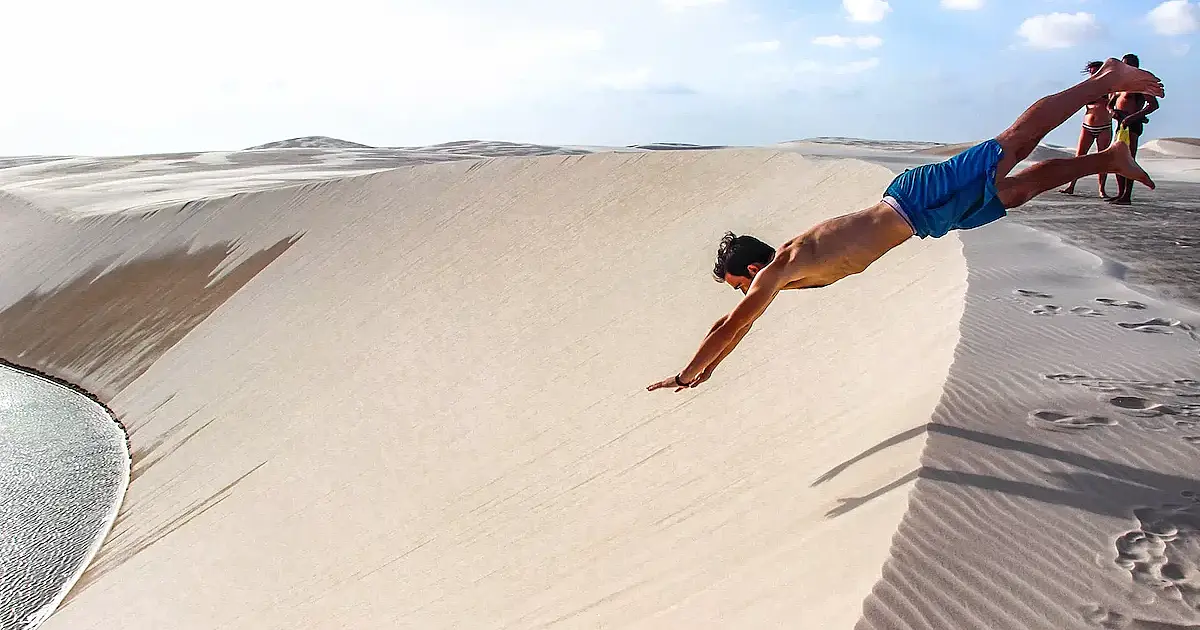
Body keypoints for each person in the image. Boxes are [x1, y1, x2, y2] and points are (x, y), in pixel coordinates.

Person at [647, 57, 1164, 393]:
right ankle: (1110, 158)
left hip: (915, 199)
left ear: (750, 269)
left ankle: (1104, 80)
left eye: (737, 285)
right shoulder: (784, 276)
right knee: (1021, 190)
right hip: (926, 220)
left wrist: (687, 371)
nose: (741, 295)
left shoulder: (777, 270)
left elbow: (730, 325)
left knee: (1017, 140)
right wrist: (710, 370)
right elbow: (740, 329)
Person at [1107, 53, 1160, 206]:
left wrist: (1135, 116)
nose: (1126, 67)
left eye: (1129, 64)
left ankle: (1126, 195)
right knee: (1117, 158)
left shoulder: (1140, 84)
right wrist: (1113, 112)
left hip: (1132, 123)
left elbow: (1153, 105)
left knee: (1128, 159)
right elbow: (1110, 103)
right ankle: (1120, 193)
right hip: (1121, 123)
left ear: (1136, 66)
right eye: (1124, 64)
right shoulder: (1121, 83)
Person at [1060, 60, 1113, 197]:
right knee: (1079, 156)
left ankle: (1102, 189)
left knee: (1103, 158)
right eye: (1091, 73)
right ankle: (1071, 185)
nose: (1093, 75)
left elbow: (1113, 105)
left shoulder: (1110, 88)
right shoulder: (1087, 88)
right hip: (1087, 126)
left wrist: (1102, 99)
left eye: (1095, 72)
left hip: (1104, 126)